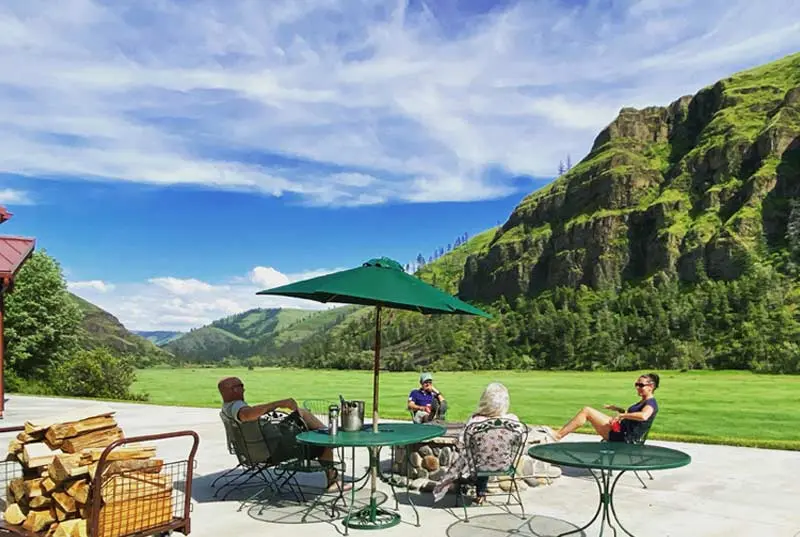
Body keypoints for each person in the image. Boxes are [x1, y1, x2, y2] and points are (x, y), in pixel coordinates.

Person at [217, 376, 351, 492]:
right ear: (234, 389)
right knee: (322, 442)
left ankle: (327, 434)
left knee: (302, 416)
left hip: (259, 448)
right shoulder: (236, 406)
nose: (244, 389)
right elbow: (247, 415)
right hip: (271, 452)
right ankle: (333, 480)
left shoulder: (226, 407)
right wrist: (280, 403)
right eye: (241, 386)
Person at [432, 382, 521, 505]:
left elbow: (461, 442)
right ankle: (480, 492)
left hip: (479, 465)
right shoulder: (512, 420)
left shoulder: (475, 421)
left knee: (476, 458)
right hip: (504, 465)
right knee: (486, 456)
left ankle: (472, 488)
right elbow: (517, 440)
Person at [550, 373, 660, 443]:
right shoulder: (644, 401)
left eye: (641, 385)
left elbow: (644, 416)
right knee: (587, 411)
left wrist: (622, 415)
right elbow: (633, 416)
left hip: (624, 438)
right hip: (620, 431)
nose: (638, 387)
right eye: (636, 384)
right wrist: (618, 409)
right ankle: (558, 434)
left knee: (587, 411)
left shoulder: (651, 403)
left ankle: (558, 435)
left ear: (651, 387)